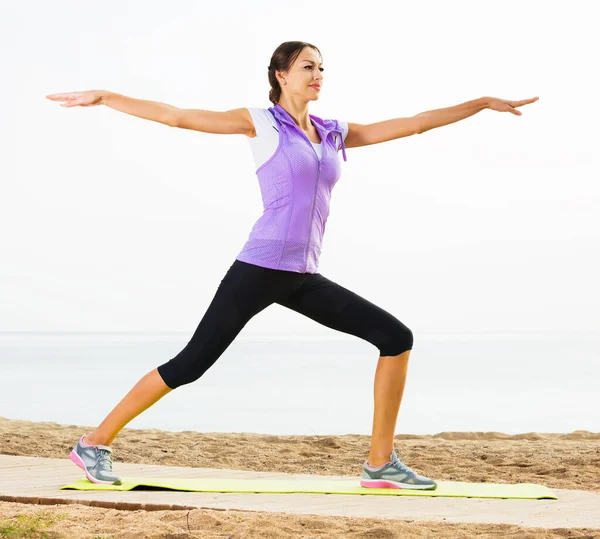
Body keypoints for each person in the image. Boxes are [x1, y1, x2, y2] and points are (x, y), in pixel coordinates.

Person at [46, 41, 538, 490]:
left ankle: (380, 463)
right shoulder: (261, 122)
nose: (318, 74)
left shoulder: (332, 132)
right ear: (281, 74)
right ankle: (93, 443)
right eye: (308, 66)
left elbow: (413, 123)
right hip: (259, 267)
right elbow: (177, 116)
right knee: (190, 365)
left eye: (322, 67)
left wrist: (478, 105)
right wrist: (107, 96)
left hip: (302, 275)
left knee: (395, 338)